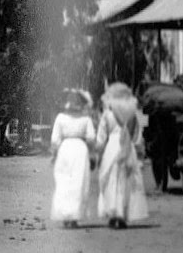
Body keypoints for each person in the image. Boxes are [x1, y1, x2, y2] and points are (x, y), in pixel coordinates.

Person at [96, 82, 149, 229]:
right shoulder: (132, 115)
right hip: (128, 147)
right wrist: (138, 151)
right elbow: (137, 136)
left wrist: (98, 151)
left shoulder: (108, 114)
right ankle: (123, 214)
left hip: (112, 148)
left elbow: (101, 137)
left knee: (111, 180)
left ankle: (113, 213)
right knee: (126, 181)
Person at [50, 89, 96, 228]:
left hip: (65, 149)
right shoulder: (86, 119)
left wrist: (54, 154)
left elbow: (55, 139)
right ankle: (75, 216)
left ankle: (65, 215)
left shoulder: (60, 118)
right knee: (78, 182)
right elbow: (91, 138)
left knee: (64, 182)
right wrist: (92, 153)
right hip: (80, 149)